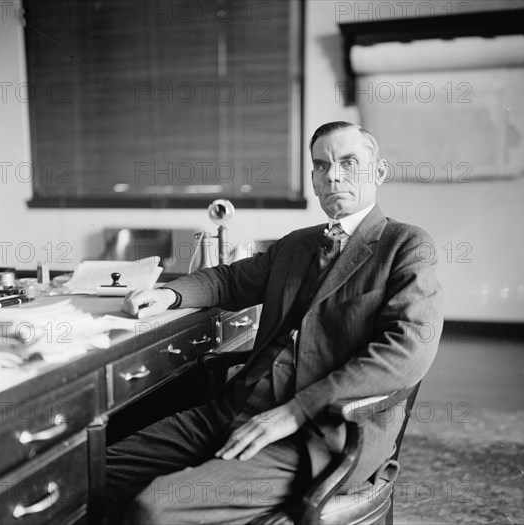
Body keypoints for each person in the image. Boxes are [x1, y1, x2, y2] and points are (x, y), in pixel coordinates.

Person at [106, 121, 444, 524]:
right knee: (96, 475)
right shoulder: (297, 244)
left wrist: (296, 411)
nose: (333, 175)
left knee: (154, 510)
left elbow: (406, 351)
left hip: (316, 436)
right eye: (321, 166)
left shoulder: (405, 245)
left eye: (349, 163)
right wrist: (170, 294)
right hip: (232, 412)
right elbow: (229, 280)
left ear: (380, 172)